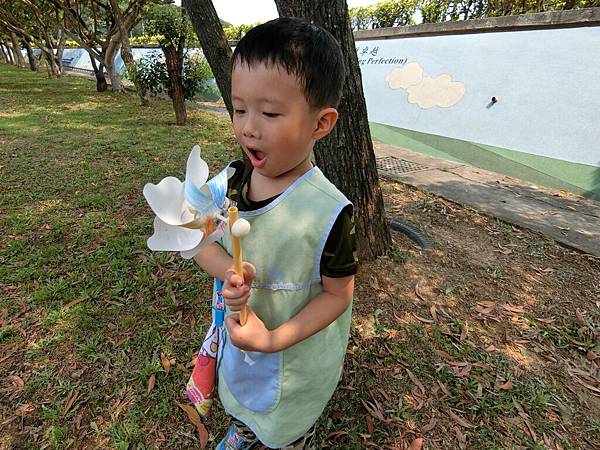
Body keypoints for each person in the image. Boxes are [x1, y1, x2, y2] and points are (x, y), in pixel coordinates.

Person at [193, 17, 357, 450]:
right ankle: (245, 430)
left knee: (284, 423)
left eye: (268, 113)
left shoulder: (330, 213)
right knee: (242, 396)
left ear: (321, 124)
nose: (248, 127)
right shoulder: (229, 182)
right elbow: (198, 240)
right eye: (239, 108)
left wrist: (271, 340)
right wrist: (230, 268)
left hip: (293, 355)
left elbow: (338, 295)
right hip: (238, 339)